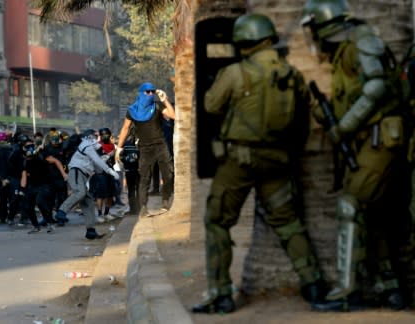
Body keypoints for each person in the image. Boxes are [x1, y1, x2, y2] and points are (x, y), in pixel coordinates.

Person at [191, 13, 327, 314]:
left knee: (217, 221)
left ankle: (220, 294)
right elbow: (307, 113)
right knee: (289, 224)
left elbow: (211, 104)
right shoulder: (290, 74)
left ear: (243, 41)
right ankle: (314, 286)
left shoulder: (236, 72)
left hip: (239, 161)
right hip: (277, 160)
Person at [301, 0, 407, 311]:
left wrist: (342, 127)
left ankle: (347, 292)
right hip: (369, 140)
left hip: (381, 139)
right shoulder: (346, 49)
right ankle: (389, 286)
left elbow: (377, 88)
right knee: (374, 213)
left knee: (352, 204)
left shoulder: (360, 39)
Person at [116, 82, 175, 217]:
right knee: (144, 178)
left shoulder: (157, 106)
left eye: (152, 92)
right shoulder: (132, 110)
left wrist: (164, 99)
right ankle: (143, 207)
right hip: (144, 148)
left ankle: (165, 202)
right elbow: (125, 128)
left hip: (160, 145)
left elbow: (173, 116)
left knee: (168, 174)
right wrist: (119, 148)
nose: (150, 94)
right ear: (141, 93)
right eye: (147, 92)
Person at [54, 129, 120, 240]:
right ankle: (61, 211)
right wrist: (109, 170)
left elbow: (97, 169)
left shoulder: (90, 150)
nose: (97, 139)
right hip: (76, 172)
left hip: (82, 176)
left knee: (88, 203)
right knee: (81, 192)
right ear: (89, 137)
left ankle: (91, 231)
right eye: (95, 136)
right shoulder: (86, 145)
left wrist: (105, 160)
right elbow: (96, 160)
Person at [20, 137, 61, 234]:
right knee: (28, 206)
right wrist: (22, 189)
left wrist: (63, 174)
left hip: (45, 184)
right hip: (32, 185)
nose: (29, 147)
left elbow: (54, 161)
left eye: (30, 145)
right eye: (27, 146)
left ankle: (50, 223)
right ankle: (36, 226)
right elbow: (24, 174)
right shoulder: (26, 161)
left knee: (40, 202)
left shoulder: (41, 156)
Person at [91, 127, 118, 222]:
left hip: (110, 172)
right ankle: (99, 214)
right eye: (104, 135)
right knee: (100, 195)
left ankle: (106, 213)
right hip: (100, 173)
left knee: (110, 194)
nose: (105, 136)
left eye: (107, 134)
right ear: (101, 136)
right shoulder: (97, 146)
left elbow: (114, 161)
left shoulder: (112, 146)